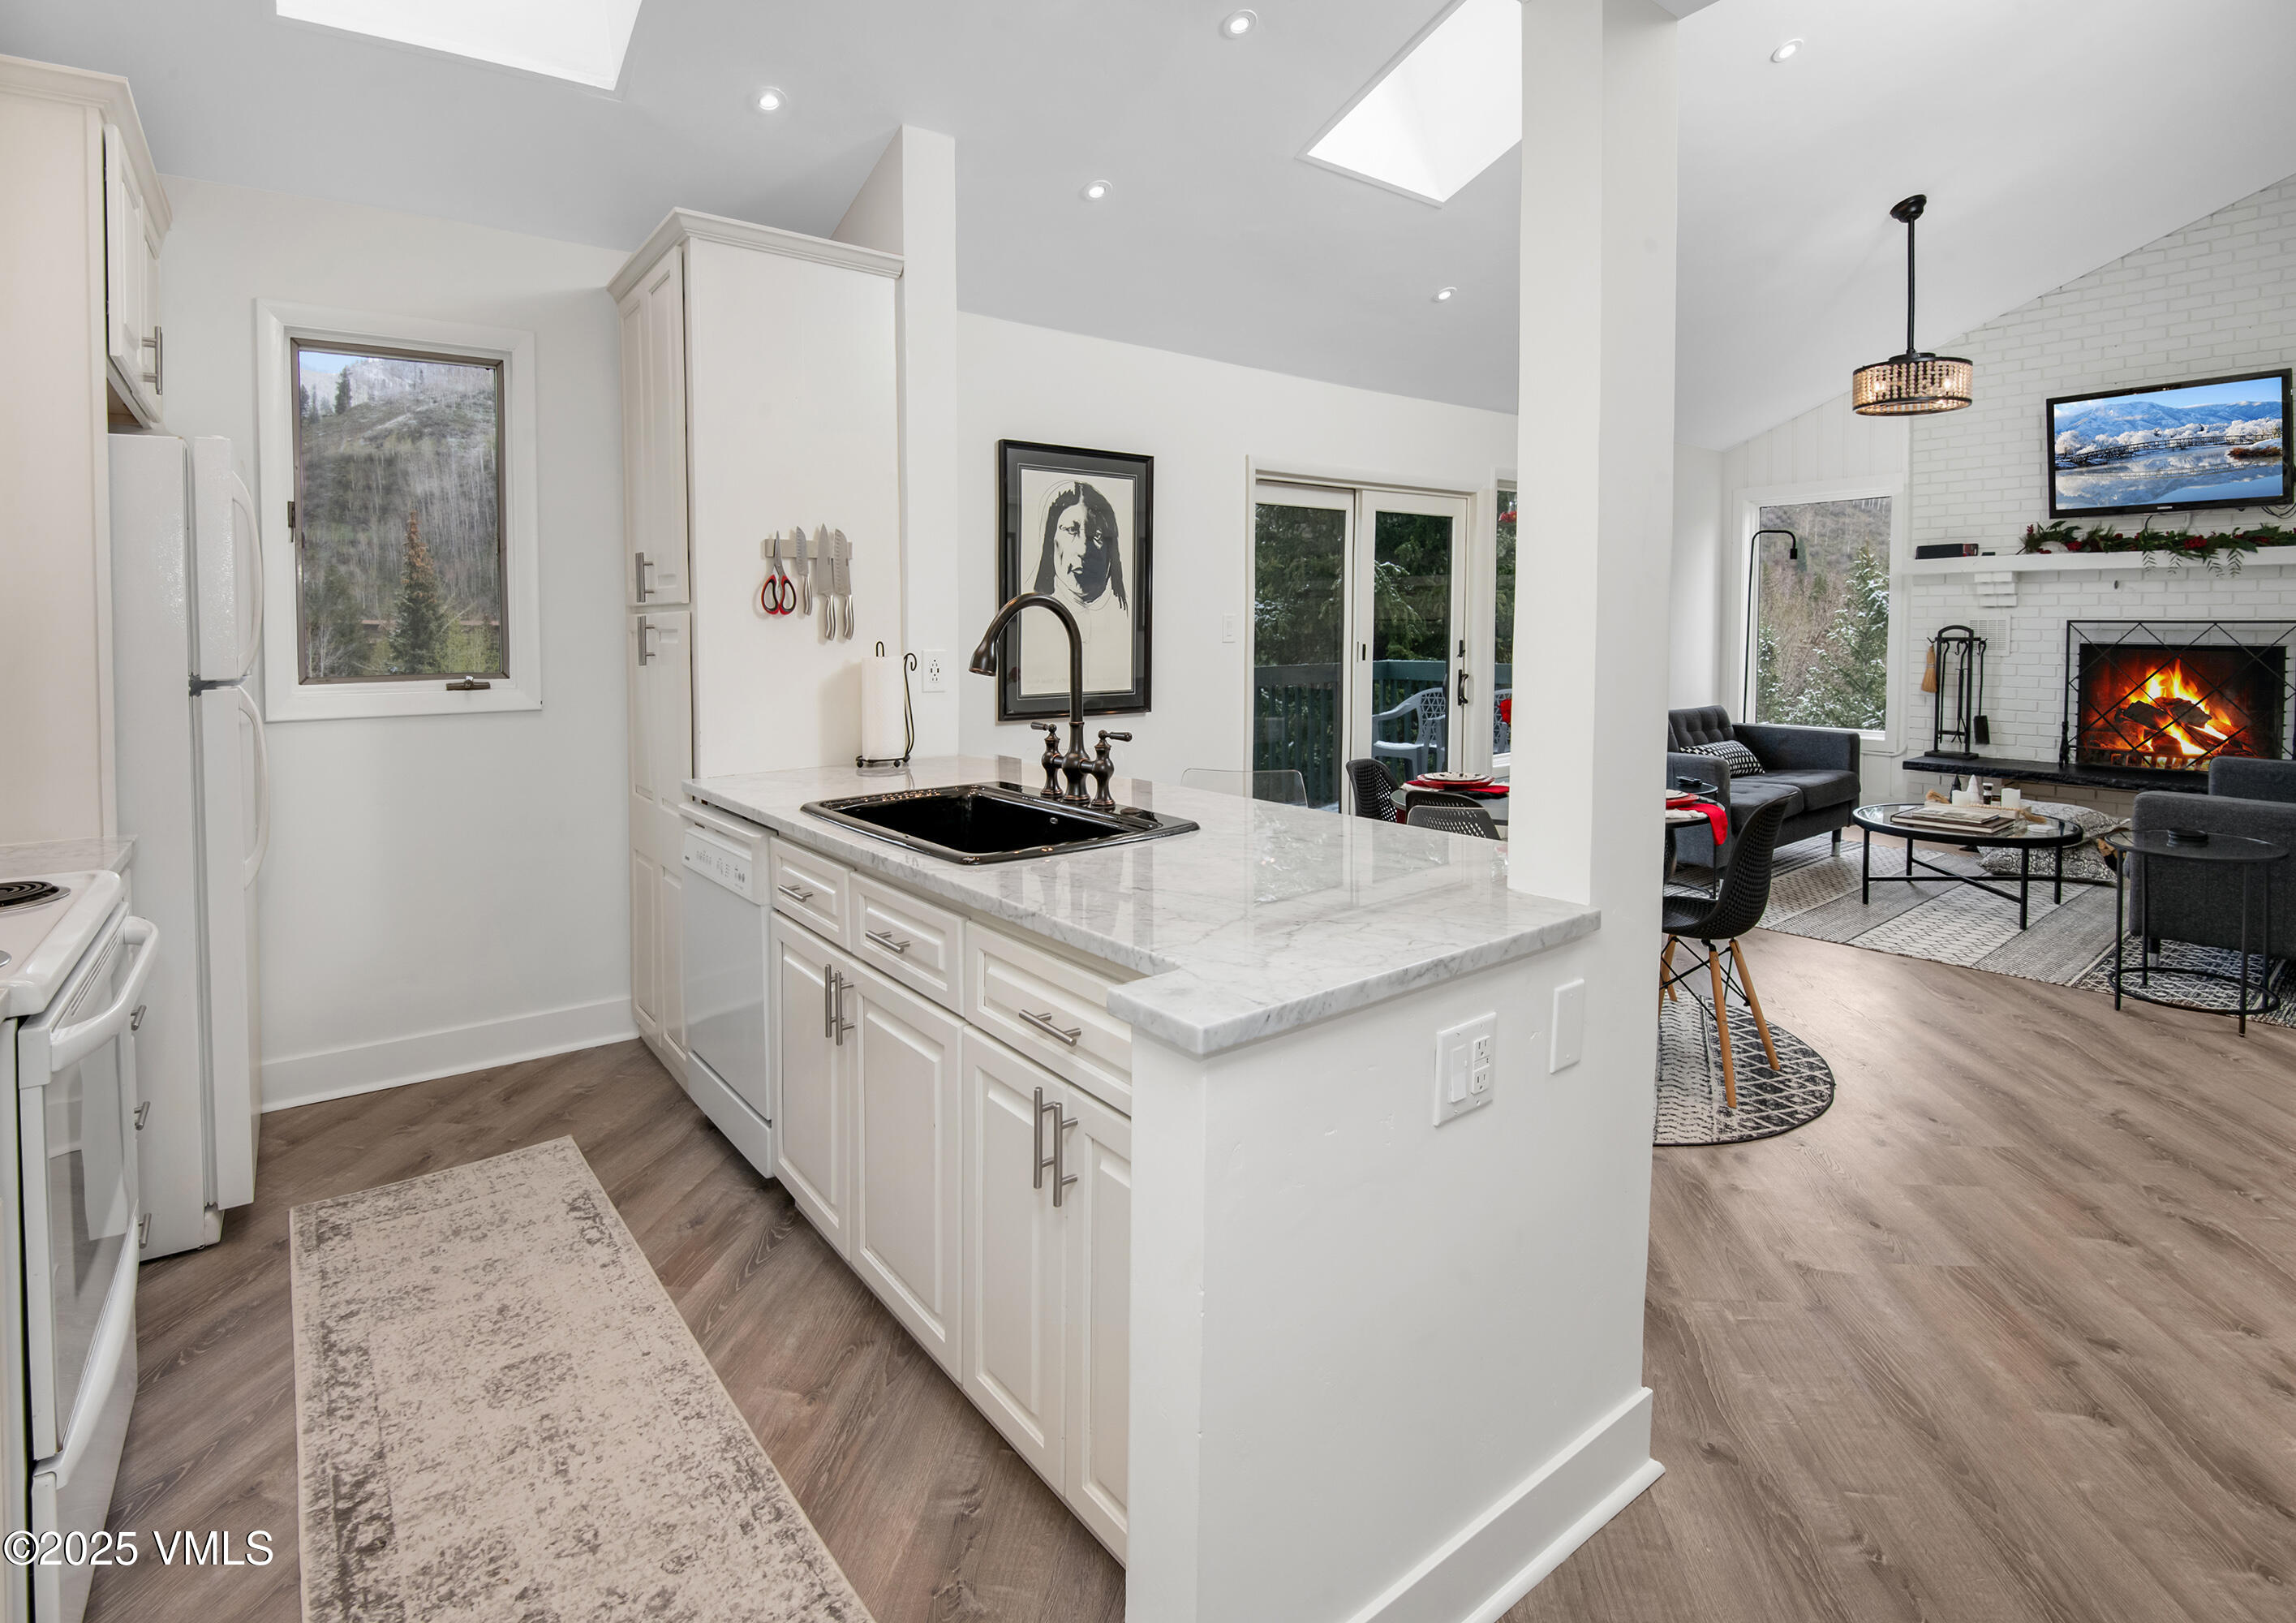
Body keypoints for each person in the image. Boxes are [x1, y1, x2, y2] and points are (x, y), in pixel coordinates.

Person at [1020, 479, 1132, 695]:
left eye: (1097, 536)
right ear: (1050, 539)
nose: (1083, 549)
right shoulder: (1033, 618)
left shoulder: (1122, 619)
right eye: (1071, 530)